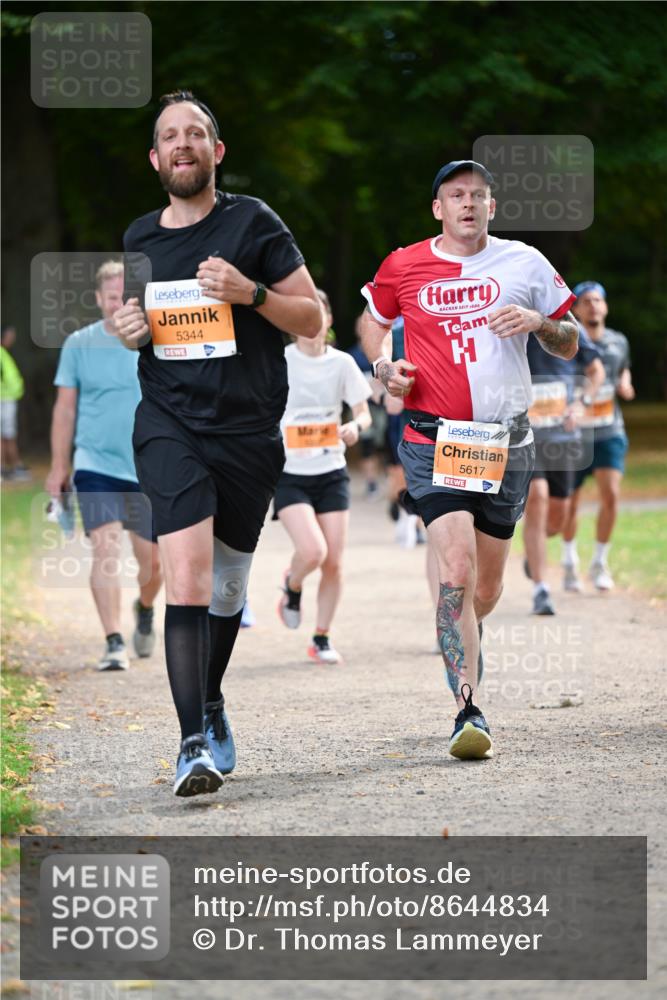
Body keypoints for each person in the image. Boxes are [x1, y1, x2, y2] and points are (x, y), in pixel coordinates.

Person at [114, 90, 321, 797]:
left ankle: (209, 698)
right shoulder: (140, 237)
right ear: (154, 157)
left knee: (229, 587)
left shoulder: (253, 221)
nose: (182, 144)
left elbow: (313, 317)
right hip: (170, 422)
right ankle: (190, 745)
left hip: (248, 430)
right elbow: (141, 324)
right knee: (190, 577)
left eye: (195, 133)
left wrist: (251, 293)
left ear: (215, 151)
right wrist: (131, 330)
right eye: (169, 135)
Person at [360, 159, 579, 760]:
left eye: (478, 196)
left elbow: (571, 337)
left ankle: (464, 630)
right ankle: (466, 709)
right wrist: (384, 366)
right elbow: (371, 323)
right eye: (456, 195)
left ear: (492, 207)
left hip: (505, 444)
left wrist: (538, 322)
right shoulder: (403, 264)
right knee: (454, 573)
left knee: (485, 589)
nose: (467, 204)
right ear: (438, 208)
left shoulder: (525, 262)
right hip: (433, 439)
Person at [46, 261, 162, 671]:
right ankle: (113, 640)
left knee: (154, 565)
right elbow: (65, 409)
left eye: (124, 297)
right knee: (106, 546)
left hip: (147, 465)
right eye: (110, 297)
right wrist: (60, 467)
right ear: (98, 299)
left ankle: (145, 608)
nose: (117, 304)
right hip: (94, 464)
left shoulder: (154, 340)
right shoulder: (79, 343)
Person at [276, 288, 372, 664]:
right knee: (313, 551)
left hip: (331, 471)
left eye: (319, 314)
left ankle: (321, 637)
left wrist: (356, 428)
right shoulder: (279, 361)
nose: (312, 323)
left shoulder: (342, 364)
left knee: (333, 561)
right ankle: (292, 582)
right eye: (303, 315)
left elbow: (362, 412)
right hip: (290, 473)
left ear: (329, 320)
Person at [523, 324, 604, 614]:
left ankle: (535, 552)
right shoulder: (508, 324)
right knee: (537, 497)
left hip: (562, 436)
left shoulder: (568, 325)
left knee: (557, 517)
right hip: (525, 435)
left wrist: (582, 403)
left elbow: (596, 371)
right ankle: (541, 589)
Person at [561, 281, 635, 591]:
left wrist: (626, 385)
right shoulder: (566, 344)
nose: (593, 306)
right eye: (586, 301)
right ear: (575, 309)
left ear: (605, 306)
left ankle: (600, 562)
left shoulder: (619, 341)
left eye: (598, 300)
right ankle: (569, 561)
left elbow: (623, 370)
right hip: (575, 435)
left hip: (609, 430)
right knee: (570, 503)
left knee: (612, 496)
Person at [347, 318, 386, 500]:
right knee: (367, 445)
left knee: (381, 445)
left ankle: (383, 480)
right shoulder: (352, 355)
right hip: (362, 407)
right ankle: (371, 483)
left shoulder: (383, 351)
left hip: (383, 407)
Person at [1, 324, 29, 481]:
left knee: (7, 434)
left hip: (7, 399)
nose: (12, 338)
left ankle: (7, 468)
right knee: (7, 435)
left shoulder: (4, 354)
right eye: (10, 334)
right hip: (4, 400)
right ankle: (12, 468)